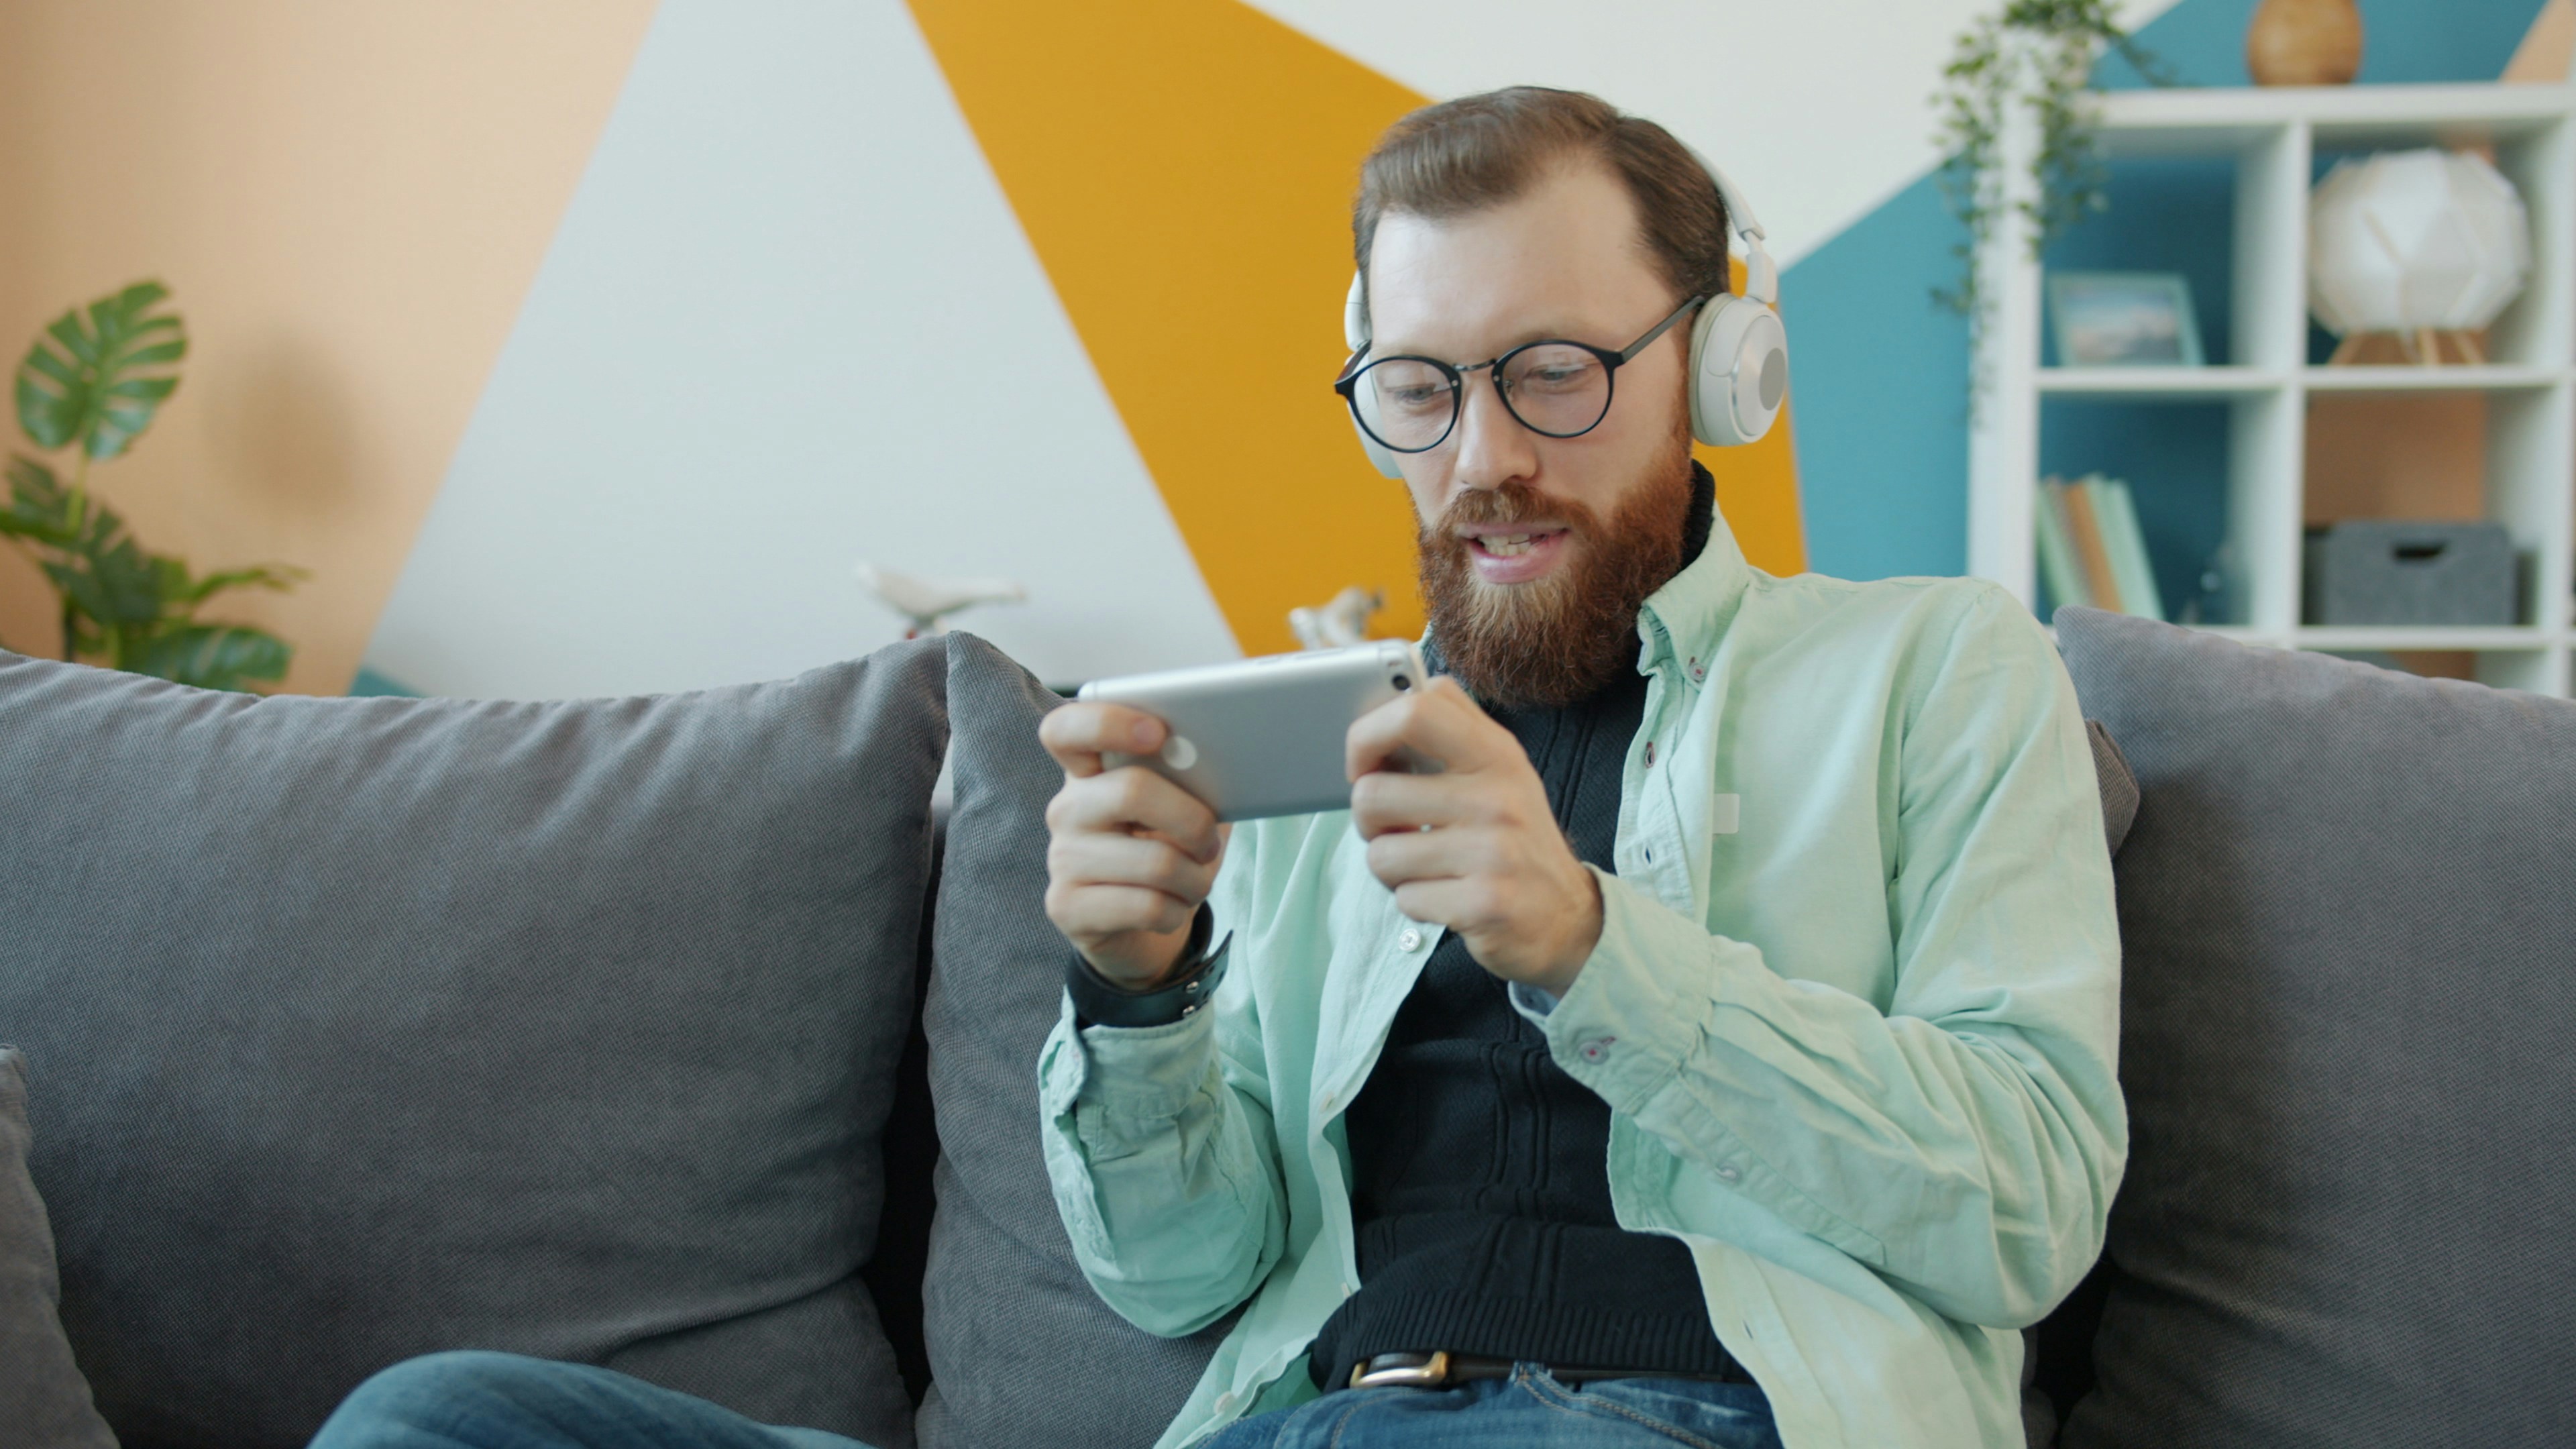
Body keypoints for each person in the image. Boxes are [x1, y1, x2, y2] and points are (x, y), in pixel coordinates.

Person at [310, 87, 2119, 1449]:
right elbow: (1185, 1275)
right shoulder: (1323, 738)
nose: (1484, 454)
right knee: (442, 1423)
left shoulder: (1938, 672)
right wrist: (1136, 998)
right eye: (1419, 389)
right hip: (1306, 1420)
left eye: (1554, 372)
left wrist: (1587, 946)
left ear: (1725, 365)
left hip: (1682, 1417)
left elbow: (2027, 1206)